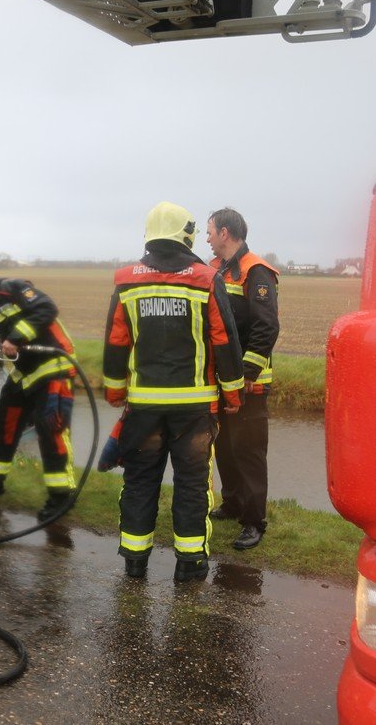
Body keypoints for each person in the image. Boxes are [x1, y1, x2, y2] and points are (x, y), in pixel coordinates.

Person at [102, 202, 245, 581]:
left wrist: (116, 392)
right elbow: (224, 341)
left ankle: (134, 560)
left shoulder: (127, 280)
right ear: (188, 234)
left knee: (140, 480)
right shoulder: (205, 278)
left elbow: (117, 341)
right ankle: (190, 562)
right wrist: (232, 396)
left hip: (144, 407)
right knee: (192, 485)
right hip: (194, 409)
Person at [0, 258, 78, 522]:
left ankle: (61, 498)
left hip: (52, 367)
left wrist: (15, 339)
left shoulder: (10, 288)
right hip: (23, 375)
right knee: (2, 425)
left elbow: (46, 308)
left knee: (50, 429)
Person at [206, 207, 280, 550]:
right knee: (225, 446)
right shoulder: (214, 270)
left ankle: (253, 521)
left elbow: (266, 327)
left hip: (250, 383)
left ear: (225, 233)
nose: (206, 238)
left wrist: (248, 374)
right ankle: (233, 502)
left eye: (210, 231)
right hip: (222, 381)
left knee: (248, 450)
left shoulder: (257, 271)